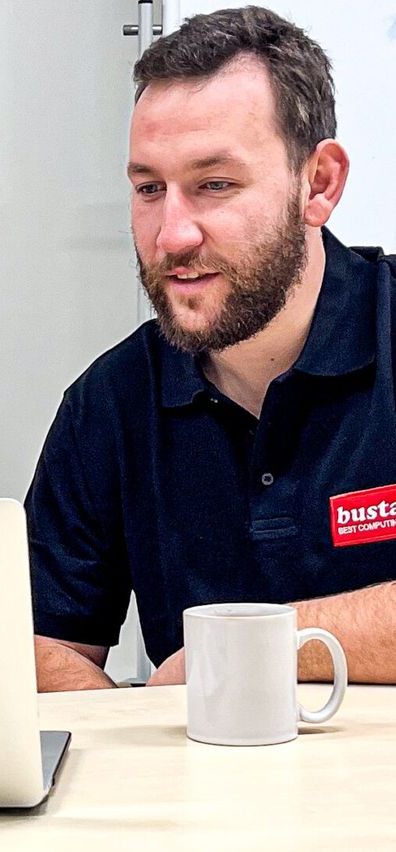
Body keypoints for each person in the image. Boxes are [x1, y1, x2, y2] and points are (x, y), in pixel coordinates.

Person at [28, 6, 396, 692]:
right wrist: (137, 757)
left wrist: (255, 649)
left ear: (319, 184)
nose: (172, 235)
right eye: (148, 189)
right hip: (206, 796)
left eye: (214, 185)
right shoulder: (108, 402)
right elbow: (43, 647)